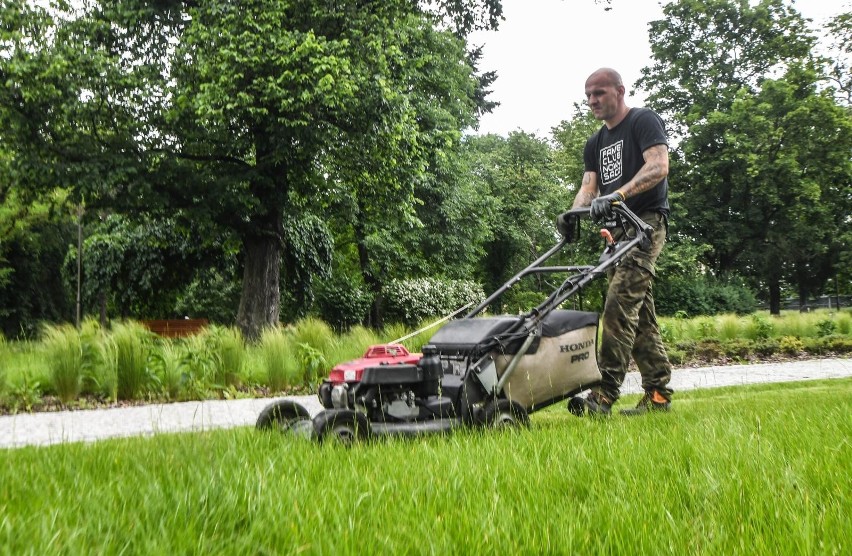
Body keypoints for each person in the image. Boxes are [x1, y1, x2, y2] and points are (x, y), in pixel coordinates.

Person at [561, 67, 673, 416]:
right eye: (589, 95)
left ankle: (603, 395)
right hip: (617, 232)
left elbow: (659, 166)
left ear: (619, 91)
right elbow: (589, 186)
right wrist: (571, 213)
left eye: (600, 93)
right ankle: (658, 395)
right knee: (639, 316)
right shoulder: (594, 143)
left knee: (618, 307)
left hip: (645, 225)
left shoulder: (643, 121)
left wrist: (619, 195)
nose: (593, 100)